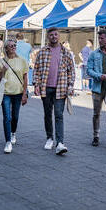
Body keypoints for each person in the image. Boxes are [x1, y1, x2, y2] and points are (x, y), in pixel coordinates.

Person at [33, 27, 75, 155]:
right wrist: (36, 84)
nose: (54, 37)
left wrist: (71, 85)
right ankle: (49, 138)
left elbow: (71, 71)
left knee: (58, 114)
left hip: (61, 88)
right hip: (46, 87)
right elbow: (37, 69)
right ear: (48, 37)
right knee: (47, 114)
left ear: (59, 36)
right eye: (51, 35)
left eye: (56, 34)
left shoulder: (66, 52)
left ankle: (60, 142)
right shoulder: (42, 52)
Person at [0, 38, 29, 154]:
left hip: (18, 93)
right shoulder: (0, 62)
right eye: (11, 46)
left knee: (15, 117)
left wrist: (25, 94)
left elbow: (25, 78)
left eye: (15, 45)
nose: (14, 47)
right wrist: (3, 71)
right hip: (5, 93)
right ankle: (8, 142)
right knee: (7, 117)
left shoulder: (22, 61)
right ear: (6, 49)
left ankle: (13, 132)